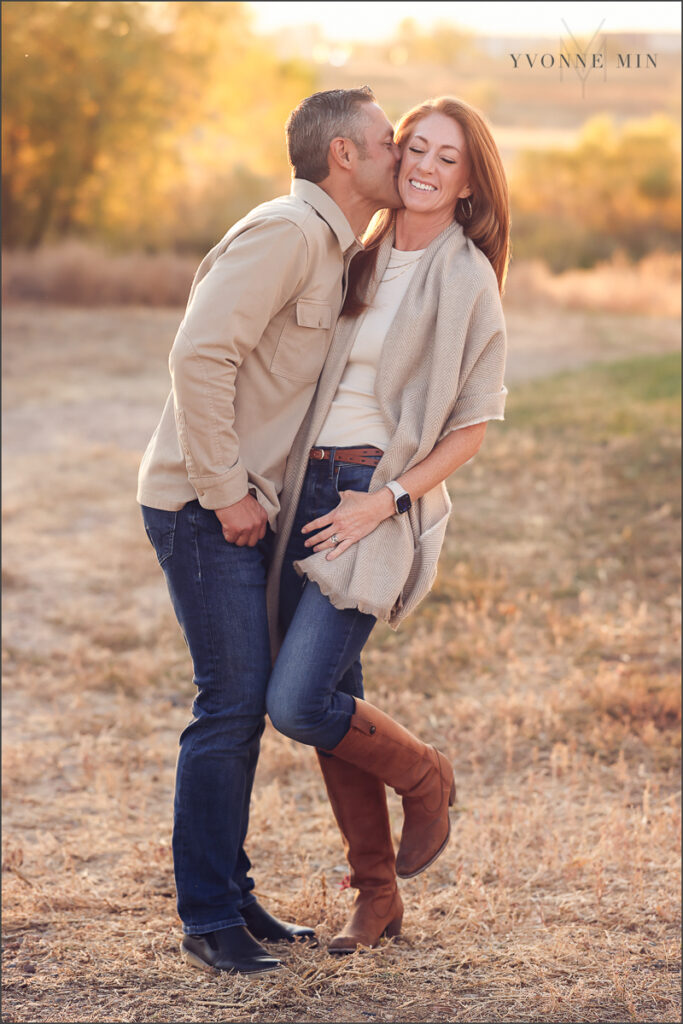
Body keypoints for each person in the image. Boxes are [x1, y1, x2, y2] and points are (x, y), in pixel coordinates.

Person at [137, 86, 402, 974]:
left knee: (243, 708)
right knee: (230, 706)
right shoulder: (286, 235)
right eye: (386, 141)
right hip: (201, 506)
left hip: (248, 509)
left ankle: (232, 897)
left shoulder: (332, 248)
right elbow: (198, 356)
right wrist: (225, 493)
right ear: (344, 157)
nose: (398, 154)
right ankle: (208, 918)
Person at [265, 96, 510, 954]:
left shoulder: (465, 276)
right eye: (415, 148)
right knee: (334, 698)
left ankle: (424, 774)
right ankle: (376, 898)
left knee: (298, 704)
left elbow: (472, 426)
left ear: (470, 182)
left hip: (373, 497)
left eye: (448, 158)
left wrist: (386, 500)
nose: (425, 166)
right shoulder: (358, 255)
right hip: (308, 491)